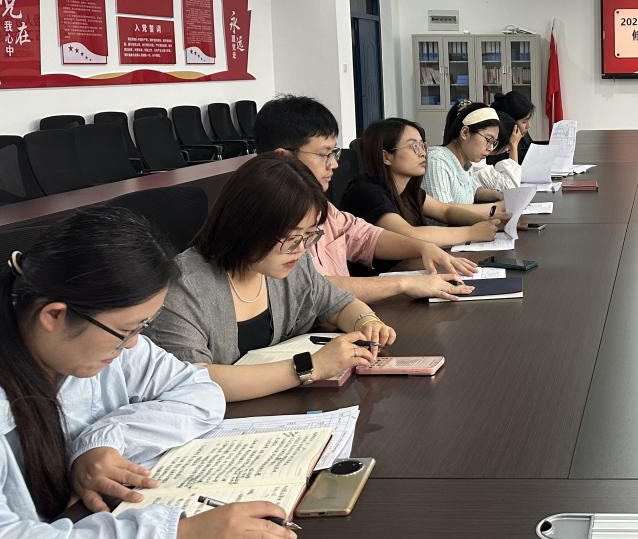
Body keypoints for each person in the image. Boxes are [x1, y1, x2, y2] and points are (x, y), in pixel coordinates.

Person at [0, 207, 297, 539]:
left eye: (142, 327)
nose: (134, 345)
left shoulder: (105, 339)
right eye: (126, 330)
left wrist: (102, 441)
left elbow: (199, 390)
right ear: (54, 315)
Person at [145, 155, 468, 402]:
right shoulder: (182, 288)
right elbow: (193, 380)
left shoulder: (287, 264)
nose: (301, 249)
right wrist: (309, 367)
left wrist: (367, 322)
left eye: (310, 236)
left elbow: (337, 302)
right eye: (292, 238)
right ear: (246, 225)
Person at [254, 95, 482, 299]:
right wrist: (403, 283)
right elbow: (311, 288)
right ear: (283, 157)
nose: (334, 164)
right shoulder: (263, 219)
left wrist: (422, 247)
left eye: (334, 153)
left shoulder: (323, 207)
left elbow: (365, 237)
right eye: (324, 154)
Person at [340, 118, 501, 247]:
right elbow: (408, 235)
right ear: (386, 157)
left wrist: (492, 222)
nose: (423, 153)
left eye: (422, 145)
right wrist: (471, 232)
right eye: (413, 146)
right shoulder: (367, 192)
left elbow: (445, 211)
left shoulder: (408, 189)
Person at [423, 101, 507, 205]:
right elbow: (443, 209)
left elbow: (475, 190)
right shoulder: (437, 161)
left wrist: (501, 195)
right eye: (488, 139)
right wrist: (494, 209)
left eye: (493, 143)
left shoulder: (466, 163)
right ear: (465, 132)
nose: (490, 148)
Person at [471, 91, 536, 192]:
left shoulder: (518, 136)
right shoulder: (483, 155)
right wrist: (513, 146)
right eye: (524, 122)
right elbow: (511, 187)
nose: (528, 126)